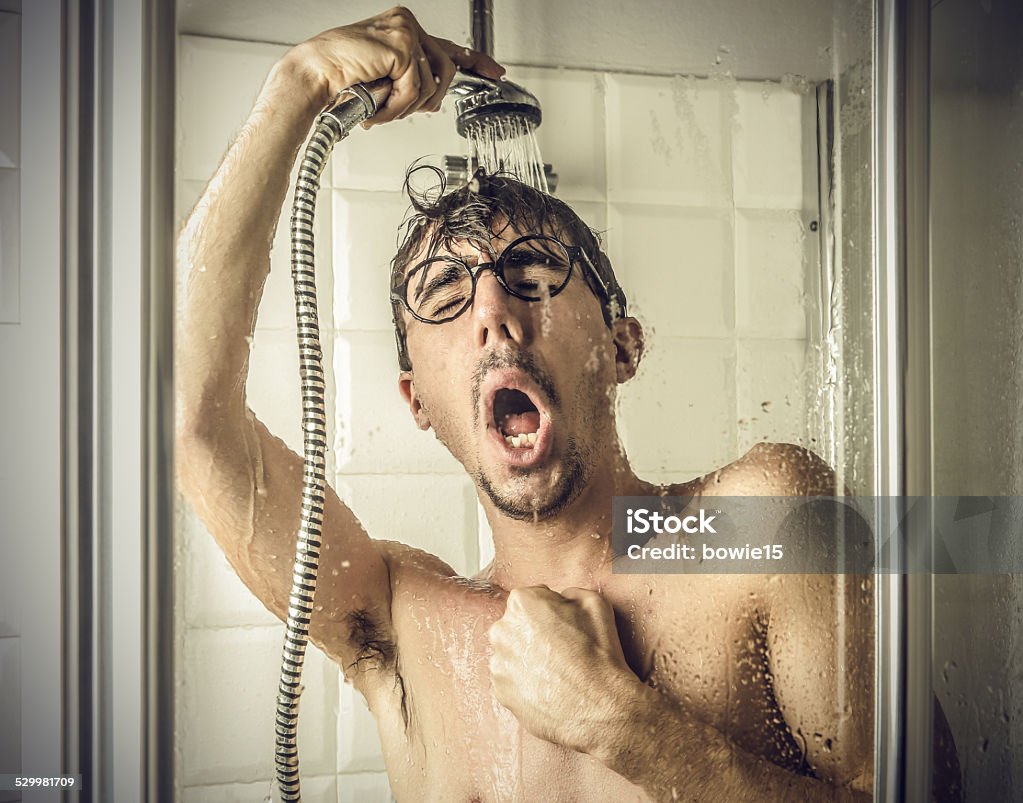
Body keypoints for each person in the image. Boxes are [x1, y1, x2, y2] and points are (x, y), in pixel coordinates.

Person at [175, 7, 960, 801]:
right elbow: (190, 413)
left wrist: (623, 722)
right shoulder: (402, 622)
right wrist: (297, 88)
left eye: (535, 271)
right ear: (416, 399)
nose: (492, 312)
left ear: (622, 346)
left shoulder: (762, 525)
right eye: (445, 289)